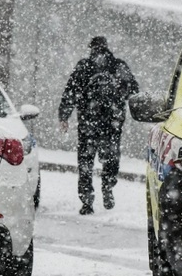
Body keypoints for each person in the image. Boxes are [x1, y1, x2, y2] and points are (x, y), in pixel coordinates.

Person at [59, 36, 139, 215]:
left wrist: (64, 115)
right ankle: (108, 186)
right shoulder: (118, 66)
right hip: (112, 124)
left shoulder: (84, 67)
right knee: (111, 159)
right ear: (107, 47)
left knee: (85, 162)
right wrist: (121, 100)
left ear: (91, 49)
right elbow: (134, 91)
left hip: (88, 123)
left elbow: (70, 92)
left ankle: (87, 201)